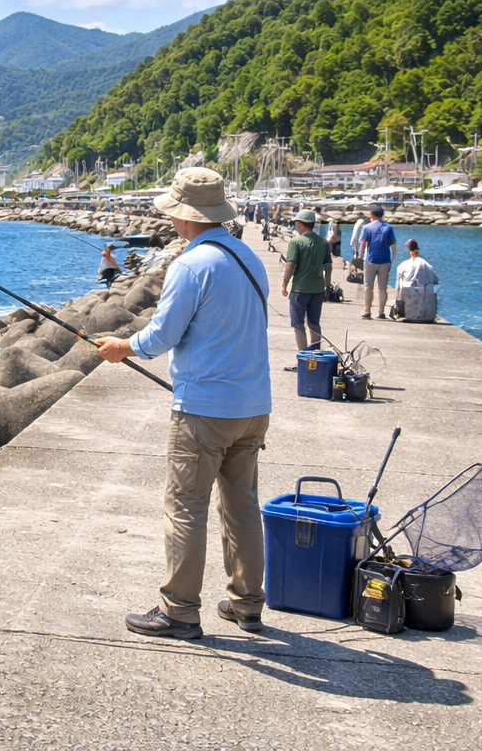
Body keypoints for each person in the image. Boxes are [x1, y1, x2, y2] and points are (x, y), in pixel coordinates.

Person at [96, 167, 272, 640]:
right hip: (254, 406)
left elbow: (162, 336)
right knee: (242, 506)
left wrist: (122, 347)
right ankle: (247, 604)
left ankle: (178, 612)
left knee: (186, 507)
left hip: (204, 410)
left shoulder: (191, 265)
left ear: (184, 216)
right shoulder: (249, 258)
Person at [282, 209, 333, 350]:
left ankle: (303, 360)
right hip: (317, 289)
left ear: (300, 224)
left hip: (300, 289)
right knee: (314, 323)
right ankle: (315, 356)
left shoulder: (296, 242)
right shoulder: (322, 243)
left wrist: (284, 284)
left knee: (298, 325)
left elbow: (291, 265)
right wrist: (327, 287)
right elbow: (328, 267)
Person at [357, 205, 398, 319]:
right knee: (382, 288)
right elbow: (393, 246)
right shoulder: (389, 228)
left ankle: (367, 310)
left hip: (370, 260)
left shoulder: (367, 228)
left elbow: (363, 244)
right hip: (385, 260)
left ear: (372, 215)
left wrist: (360, 257)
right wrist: (392, 259)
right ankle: (381, 312)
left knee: (368, 286)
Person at [392, 239, 440, 320]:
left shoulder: (402, 265)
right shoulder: (426, 265)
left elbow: (398, 287)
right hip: (427, 315)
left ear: (408, 250)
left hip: (408, 299)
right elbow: (436, 279)